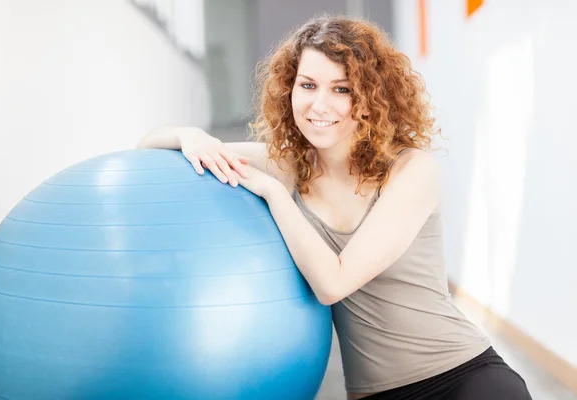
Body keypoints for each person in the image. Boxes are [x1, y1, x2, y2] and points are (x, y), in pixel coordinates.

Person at [137, 15, 532, 400]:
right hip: (373, 391)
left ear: (370, 98)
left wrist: (274, 194)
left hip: (463, 375)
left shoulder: (412, 170)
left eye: (341, 89)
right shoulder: (286, 168)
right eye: (307, 85)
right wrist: (190, 134)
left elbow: (333, 284)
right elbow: (148, 147)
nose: (318, 104)